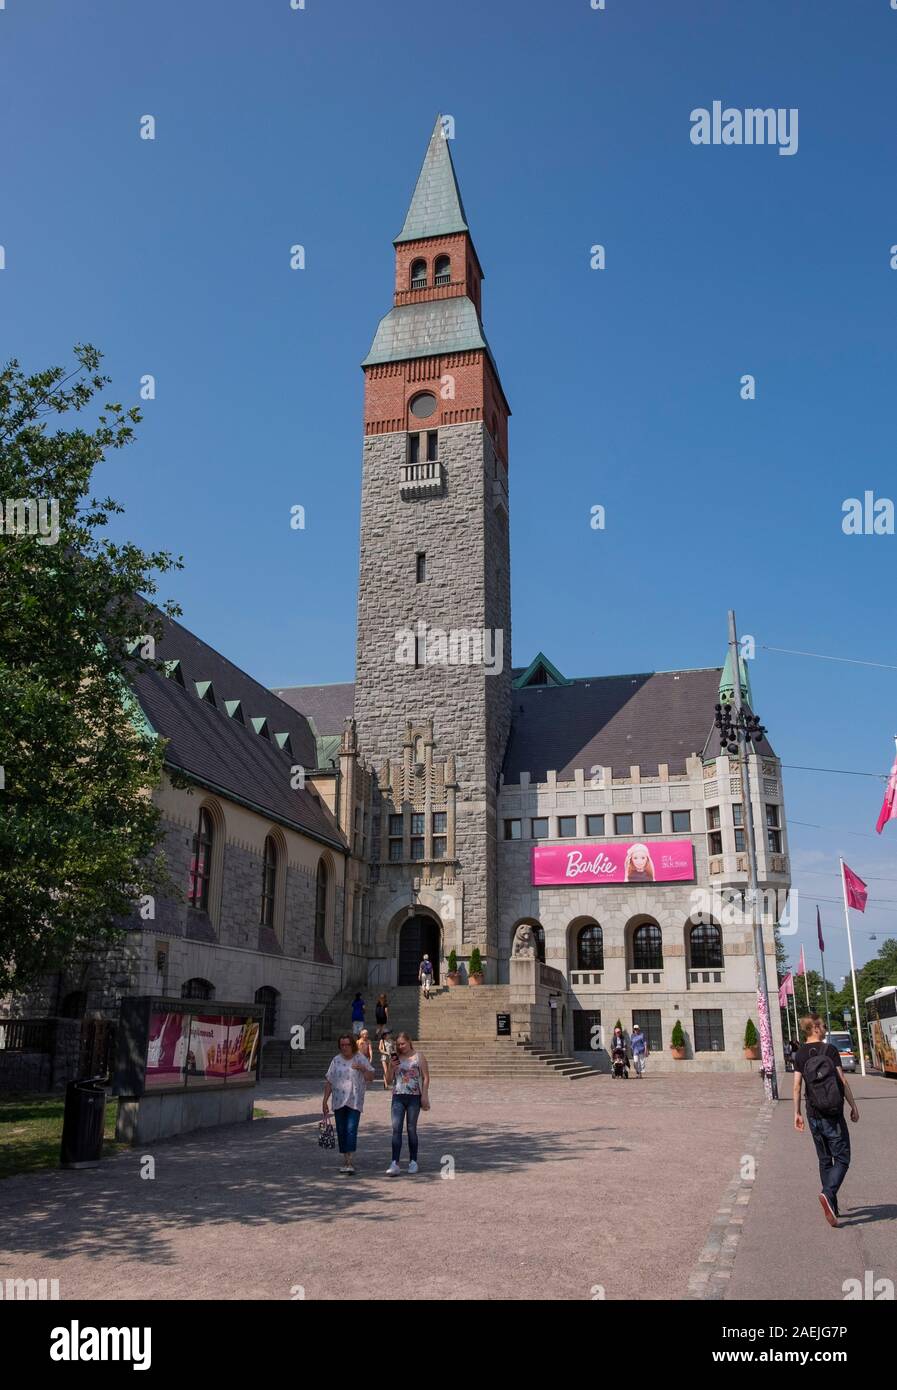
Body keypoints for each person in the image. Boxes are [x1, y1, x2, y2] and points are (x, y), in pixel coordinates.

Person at [793, 1013, 860, 1226]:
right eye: (821, 1025)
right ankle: (828, 1192)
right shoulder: (829, 1050)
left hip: (813, 1113)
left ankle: (832, 1205)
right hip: (833, 1113)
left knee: (824, 1159)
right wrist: (853, 1105)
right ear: (814, 1028)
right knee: (843, 1158)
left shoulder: (800, 1054)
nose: (824, 1028)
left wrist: (797, 1113)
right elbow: (842, 1080)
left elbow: (796, 1086)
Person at [323, 1033, 375, 1175]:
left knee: (351, 1129)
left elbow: (371, 1077)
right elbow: (329, 1081)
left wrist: (362, 1069)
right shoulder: (336, 1060)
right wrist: (324, 1100)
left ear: (352, 1045)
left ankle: (349, 1161)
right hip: (339, 1101)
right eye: (342, 1045)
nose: (345, 1047)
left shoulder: (360, 1058)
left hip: (354, 1100)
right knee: (341, 1130)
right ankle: (345, 1157)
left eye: (347, 1045)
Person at [386, 1031, 430, 1175]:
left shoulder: (418, 1057)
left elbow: (426, 1077)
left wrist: (425, 1095)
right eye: (398, 1044)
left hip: (414, 1096)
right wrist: (391, 1067)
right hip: (398, 1095)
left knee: (411, 1129)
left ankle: (413, 1161)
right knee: (396, 1128)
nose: (401, 1046)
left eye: (403, 1043)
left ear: (409, 1042)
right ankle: (395, 1162)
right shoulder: (395, 1057)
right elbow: (388, 1079)